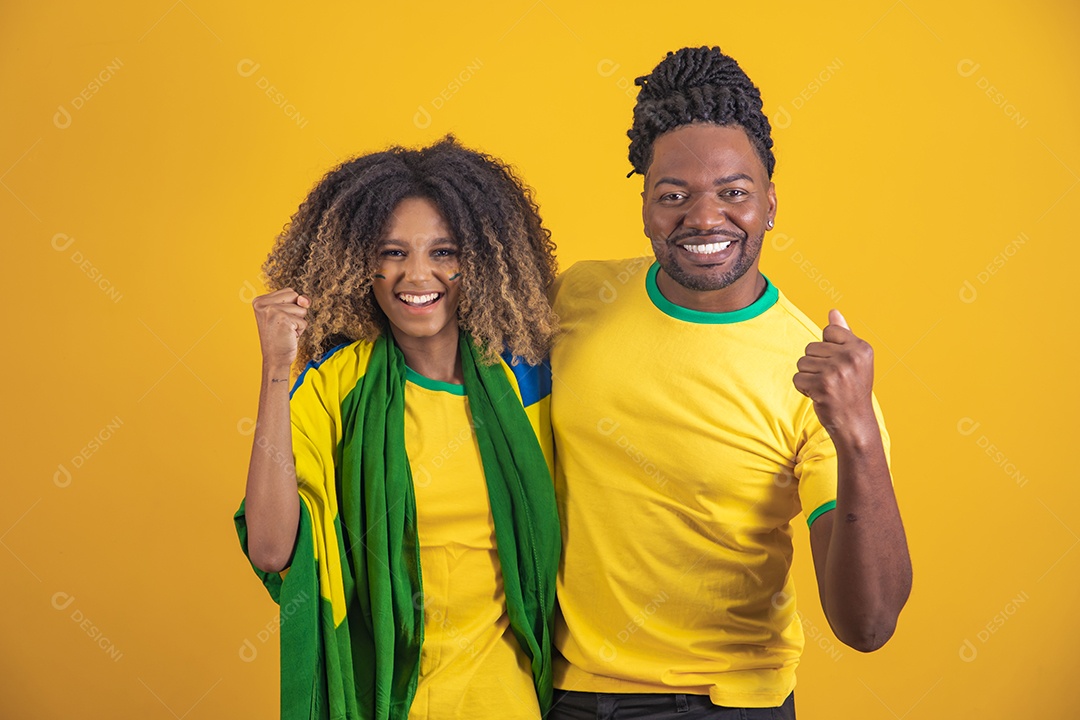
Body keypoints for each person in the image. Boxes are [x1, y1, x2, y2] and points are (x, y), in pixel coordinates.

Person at [548, 47, 913, 719]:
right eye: (674, 195)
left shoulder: (817, 381)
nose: (705, 218)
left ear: (770, 203)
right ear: (646, 206)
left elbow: (867, 625)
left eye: (733, 193)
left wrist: (858, 435)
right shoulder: (580, 297)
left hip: (725, 704)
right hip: (566, 692)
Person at [233, 136, 561, 720]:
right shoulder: (335, 386)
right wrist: (276, 370)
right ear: (360, 264)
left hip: (503, 698)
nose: (417, 274)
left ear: (481, 258)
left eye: (444, 250)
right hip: (382, 698)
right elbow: (271, 547)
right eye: (391, 252)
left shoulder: (526, 383)